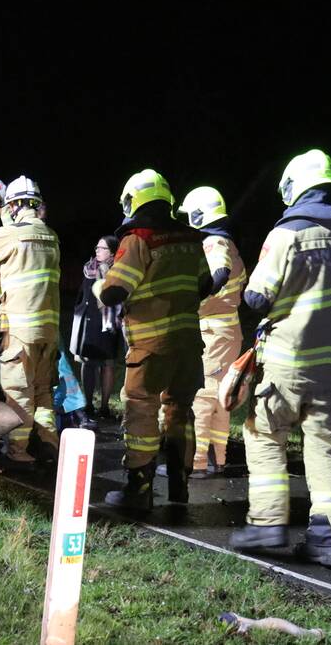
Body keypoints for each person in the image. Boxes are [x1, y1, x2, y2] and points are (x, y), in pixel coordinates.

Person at [229, 150, 331, 567]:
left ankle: (267, 524)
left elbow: (257, 297)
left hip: (285, 363)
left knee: (263, 436)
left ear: (296, 187)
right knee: (323, 448)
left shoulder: (287, 233)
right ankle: (328, 539)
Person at [98, 169, 210, 510]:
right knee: (179, 410)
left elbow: (115, 290)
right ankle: (179, 484)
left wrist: (103, 285)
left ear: (134, 200)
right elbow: (206, 284)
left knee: (141, 408)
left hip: (151, 345)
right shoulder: (191, 239)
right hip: (189, 343)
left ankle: (139, 488)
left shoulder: (138, 239)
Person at [0, 175, 61, 470]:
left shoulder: (12, 235)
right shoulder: (51, 236)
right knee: (43, 390)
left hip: (21, 331)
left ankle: (18, 454)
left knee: (19, 392)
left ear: (16, 206)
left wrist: (3, 209)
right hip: (49, 331)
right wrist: (3, 202)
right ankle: (48, 445)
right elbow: (19, 232)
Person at [175, 186, 246, 478]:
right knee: (220, 397)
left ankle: (197, 462)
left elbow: (219, 273)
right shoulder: (227, 241)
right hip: (227, 329)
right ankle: (219, 458)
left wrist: (195, 295)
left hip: (213, 330)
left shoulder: (214, 242)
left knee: (202, 395)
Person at [71, 235, 121, 420]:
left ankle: (105, 406)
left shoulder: (117, 270)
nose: (97, 251)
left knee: (107, 364)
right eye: (97, 247)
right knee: (87, 363)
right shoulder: (88, 268)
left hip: (108, 323)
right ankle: (88, 403)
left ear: (113, 252)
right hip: (88, 320)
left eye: (102, 248)